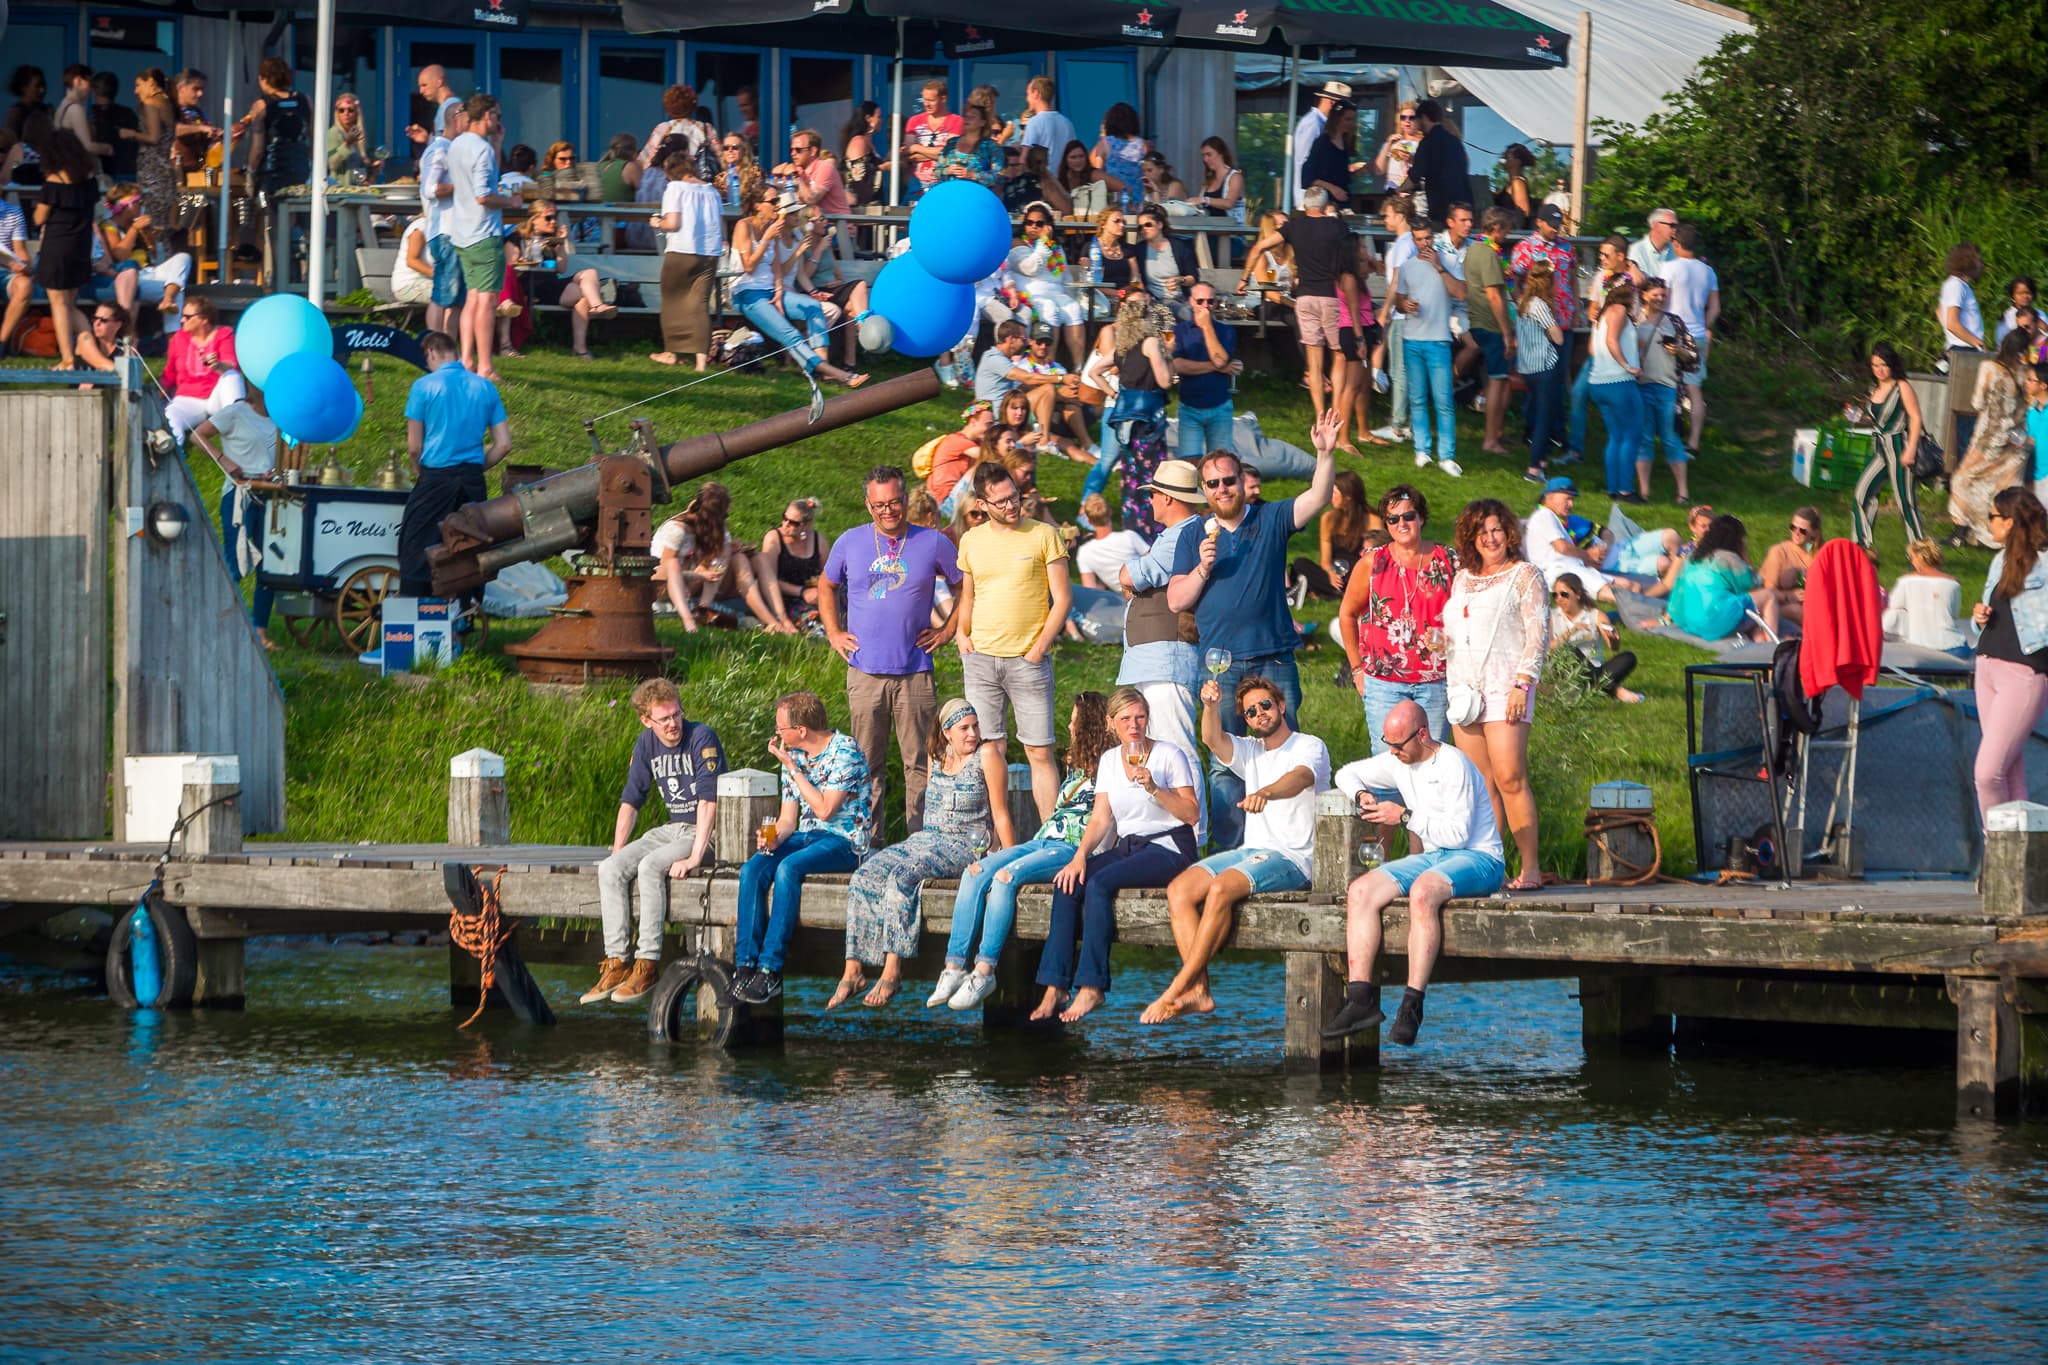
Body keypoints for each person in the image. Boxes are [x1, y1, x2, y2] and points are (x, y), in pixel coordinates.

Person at [1170, 411, 1340, 847]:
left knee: (1285, 752)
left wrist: (1324, 454)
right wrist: (1203, 568)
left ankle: (1293, 848)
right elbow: (1176, 600)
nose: (1223, 489)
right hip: (1220, 663)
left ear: (1242, 483)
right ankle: (1230, 852)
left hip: (1273, 655)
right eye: (1214, 484)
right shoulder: (1192, 535)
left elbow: (1317, 498)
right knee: (1225, 762)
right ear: (1203, 491)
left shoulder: (1270, 519)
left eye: (1229, 481)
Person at [1143, 674, 1331, 1024]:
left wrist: (1267, 793)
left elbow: (1302, 778)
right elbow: (1211, 739)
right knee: (1179, 890)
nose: (1259, 713)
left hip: (1293, 858)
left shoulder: (1309, 745)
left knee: (1220, 888)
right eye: (1250, 712)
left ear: (1281, 707)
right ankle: (1199, 990)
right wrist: (1211, 707)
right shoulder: (1250, 750)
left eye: (1265, 706)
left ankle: (1175, 989)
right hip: (1254, 850)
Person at [1322, 700, 1506, 1045]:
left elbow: (1459, 835)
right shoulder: (1398, 759)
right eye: (1387, 744)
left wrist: (1404, 817)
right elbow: (1346, 773)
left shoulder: (1454, 765)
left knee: (1422, 892)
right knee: (1360, 891)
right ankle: (1360, 1000)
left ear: (1422, 734)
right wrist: (1361, 793)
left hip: (1479, 857)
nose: (1392, 752)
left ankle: (1412, 1005)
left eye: (1398, 745)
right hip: (1436, 856)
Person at [832, 698, 1015, 1009]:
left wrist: (1009, 862)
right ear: (946, 733)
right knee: (866, 874)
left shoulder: (987, 756)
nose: (972, 733)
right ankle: (854, 969)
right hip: (924, 840)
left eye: (975, 726)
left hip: (963, 847)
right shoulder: (936, 756)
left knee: (903, 877)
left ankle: (892, 970)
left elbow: (1000, 814)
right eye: (964, 728)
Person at [932, 691, 1109, 1011]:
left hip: (1071, 847)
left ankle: (985, 970)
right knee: (975, 873)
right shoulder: (1075, 765)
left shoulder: (1111, 766)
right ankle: (954, 967)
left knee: (1004, 877)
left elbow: (1106, 820)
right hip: (1043, 838)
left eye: (1074, 722)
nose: (1069, 727)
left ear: (1089, 725)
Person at [1031, 686, 1198, 1023]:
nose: (1133, 725)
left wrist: (1154, 788)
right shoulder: (1109, 760)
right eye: (1125, 719)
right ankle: (1056, 984)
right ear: (1111, 723)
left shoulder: (1169, 755)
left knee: (1100, 884)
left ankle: (1092, 986)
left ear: (1148, 719)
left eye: (1140, 717)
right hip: (1130, 846)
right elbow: (1101, 818)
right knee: (1068, 881)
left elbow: (1191, 814)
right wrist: (1079, 856)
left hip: (1170, 846)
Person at [821, 465, 962, 835]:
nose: (888, 510)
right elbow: (826, 584)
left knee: (921, 762)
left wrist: (949, 630)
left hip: (915, 671)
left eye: (895, 502)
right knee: (867, 764)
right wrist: (834, 632)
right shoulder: (849, 541)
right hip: (865, 670)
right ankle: (867, 842)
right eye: (879, 504)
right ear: (868, 505)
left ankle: (921, 841)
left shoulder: (932, 542)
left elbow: (965, 585)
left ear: (904, 500)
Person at [581, 679, 724, 1006]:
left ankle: (647, 964)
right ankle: (617, 962)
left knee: (649, 867)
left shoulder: (702, 737)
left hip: (704, 832)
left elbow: (709, 803)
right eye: (665, 719)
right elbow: (631, 801)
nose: (674, 724)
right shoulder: (646, 743)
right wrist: (618, 852)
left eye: (676, 714)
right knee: (611, 869)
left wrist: (695, 858)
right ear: (647, 720)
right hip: (672, 829)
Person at [729, 691, 873, 1006]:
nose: (778, 734)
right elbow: (788, 820)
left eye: (781, 728)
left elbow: (825, 811)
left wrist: (793, 768)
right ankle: (745, 965)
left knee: (788, 868)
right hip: (806, 836)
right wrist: (774, 839)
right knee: (754, 866)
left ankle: (770, 969)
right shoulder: (793, 756)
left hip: (846, 841)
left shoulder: (844, 750)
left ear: (801, 729)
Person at [956, 462, 1073, 822]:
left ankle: (1053, 837)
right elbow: (969, 595)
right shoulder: (971, 539)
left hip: (1028, 660)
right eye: (1002, 501)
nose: (1012, 505)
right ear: (982, 504)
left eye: (1015, 497)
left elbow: (1063, 599)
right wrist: (962, 633)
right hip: (981, 658)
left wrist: (1038, 649)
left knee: (1039, 751)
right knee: (989, 750)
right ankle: (994, 839)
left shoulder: (1044, 535)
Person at [1445, 499, 1548, 889]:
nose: (1490, 538)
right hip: (1465, 691)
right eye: (1481, 532)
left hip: (1507, 687)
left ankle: (1531, 868)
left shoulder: (1525, 575)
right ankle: (1493, 868)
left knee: (1510, 777)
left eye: (1496, 530)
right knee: (1480, 783)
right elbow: (1457, 633)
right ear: (1470, 538)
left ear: (1509, 533)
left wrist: (1524, 683)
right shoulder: (1462, 579)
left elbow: (1538, 636)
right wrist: (1439, 645)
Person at [397, 331, 510, 596]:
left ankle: (417, 609)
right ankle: (466, 614)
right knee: (468, 548)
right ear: (455, 352)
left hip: (435, 477)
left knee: (415, 545)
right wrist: (475, 468)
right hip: (471, 480)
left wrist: (420, 474)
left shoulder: (424, 386)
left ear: (431, 353)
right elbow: (504, 444)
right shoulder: (485, 387)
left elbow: (414, 447)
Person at [729, 186, 867, 389]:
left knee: (814, 308)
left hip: (770, 290)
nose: (777, 206)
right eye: (773, 201)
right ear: (757, 205)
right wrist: (766, 238)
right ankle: (840, 375)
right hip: (746, 292)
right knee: (789, 334)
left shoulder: (773, 227)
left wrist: (778, 291)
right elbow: (749, 266)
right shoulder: (745, 226)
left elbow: (777, 269)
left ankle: (823, 367)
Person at [1239, 187, 1353, 432]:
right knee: (1339, 354)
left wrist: (1243, 278)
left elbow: (1258, 247)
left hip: (1304, 299)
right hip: (1330, 297)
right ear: (1324, 205)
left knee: (1314, 360)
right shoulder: (1336, 227)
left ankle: (1321, 417)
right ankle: (1336, 415)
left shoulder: (1294, 227)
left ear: (1304, 205)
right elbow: (1351, 256)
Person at [1972, 487, 2048, 822]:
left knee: (1988, 773)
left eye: (1993, 516)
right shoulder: (1998, 560)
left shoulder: (2045, 563)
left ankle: (1996, 856)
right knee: (2009, 772)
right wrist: (1979, 618)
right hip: (1986, 667)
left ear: (2011, 521)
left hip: (2024, 673)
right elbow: (1990, 613)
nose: (1988, 522)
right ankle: (2017, 865)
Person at [190, 386, 281, 649]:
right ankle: (213, 625)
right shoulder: (235, 412)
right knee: (235, 561)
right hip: (239, 496)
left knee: (270, 565)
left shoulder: (280, 417)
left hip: (270, 496)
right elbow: (198, 436)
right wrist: (224, 460)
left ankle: (260, 632)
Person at [446, 94, 522, 380]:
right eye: (498, 116)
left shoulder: (457, 144)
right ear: (487, 115)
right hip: (484, 232)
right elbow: (484, 195)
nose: (499, 121)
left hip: (462, 231)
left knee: (472, 299)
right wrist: (511, 203)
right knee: (487, 302)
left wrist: (498, 145)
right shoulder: (482, 150)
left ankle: (466, 360)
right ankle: (486, 366)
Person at [650, 482, 791, 633]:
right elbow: (663, 569)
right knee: (674, 563)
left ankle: (704, 608)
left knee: (737, 554)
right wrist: (698, 574)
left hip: (691, 583)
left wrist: (730, 550)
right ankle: (689, 618)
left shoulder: (711, 529)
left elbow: (709, 561)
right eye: (724, 515)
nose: (725, 519)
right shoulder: (678, 530)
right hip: (662, 585)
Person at [1391, 215, 1467, 477]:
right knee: (1418, 398)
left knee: (1444, 399)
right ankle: (1421, 450)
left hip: (1438, 340)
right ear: (1413, 240)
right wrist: (1404, 305)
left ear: (1433, 238)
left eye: (1427, 238)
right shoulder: (1407, 266)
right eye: (1419, 239)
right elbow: (1399, 300)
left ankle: (1447, 455)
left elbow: (1461, 293)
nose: (1424, 243)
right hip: (1412, 339)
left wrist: (1439, 267)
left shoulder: (1448, 260)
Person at [1948, 330, 2033, 547]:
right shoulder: (2025, 373)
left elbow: (1978, 403)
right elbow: (2029, 404)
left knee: (1961, 479)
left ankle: (1961, 531)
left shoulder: (1989, 368)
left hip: (1990, 438)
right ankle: (1998, 535)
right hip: (2016, 440)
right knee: (2002, 487)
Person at [504, 199, 616, 360]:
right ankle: (584, 340)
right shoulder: (517, 237)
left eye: (554, 217)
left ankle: (594, 313)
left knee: (589, 276)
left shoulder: (552, 238)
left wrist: (561, 243)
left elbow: (561, 268)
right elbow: (511, 267)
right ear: (535, 218)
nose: (553, 221)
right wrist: (524, 257)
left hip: (552, 285)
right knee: (582, 295)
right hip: (530, 286)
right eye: (548, 218)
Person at [28, 130, 97, 371]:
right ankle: (91, 351)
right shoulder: (90, 178)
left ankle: (67, 358)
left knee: (58, 304)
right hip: (81, 245)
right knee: (70, 303)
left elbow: (39, 218)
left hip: (57, 246)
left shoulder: (52, 182)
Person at [650, 146, 722, 371]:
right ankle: (701, 362)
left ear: (671, 170)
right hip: (710, 253)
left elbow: (673, 223)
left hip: (682, 250)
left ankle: (671, 352)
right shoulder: (712, 191)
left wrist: (657, 223)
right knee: (699, 305)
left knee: (672, 300)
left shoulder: (675, 188)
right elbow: (720, 225)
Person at [1855, 342, 1928, 546]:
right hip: (1880, 448)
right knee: (1861, 493)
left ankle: (1919, 550)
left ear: (1892, 365)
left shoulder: (1902, 386)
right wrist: (1858, 417)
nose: (1879, 369)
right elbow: (1878, 419)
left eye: (1883, 365)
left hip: (1899, 445)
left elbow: (1915, 417)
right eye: (1875, 365)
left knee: (1905, 501)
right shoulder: (1874, 388)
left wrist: (1911, 449)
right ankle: (1862, 545)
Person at [1668, 514, 1779, 642]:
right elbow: (1754, 585)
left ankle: (1760, 639)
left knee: (1747, 612)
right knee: (1769, 596)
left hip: (1691, 621)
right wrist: (1745, 556)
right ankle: (1772, 643)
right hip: (1713, 620)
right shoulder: (1728, 558)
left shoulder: (1692, 556)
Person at [1631, 275, 1693, 501]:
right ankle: (1645, 492)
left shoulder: (1674, 322)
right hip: (1641, 386)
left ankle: (1683, 493)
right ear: (1644, 295)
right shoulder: (1634, 320)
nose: (1659, 299)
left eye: (1663, 296)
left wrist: (1679, 350)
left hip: (1667, 387)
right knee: (1644, 439)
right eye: (1655, 295)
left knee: (1670, 438)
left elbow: (1692, 356)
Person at [1006, 205, 1087, 369]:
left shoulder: (1055, 248)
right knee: (1050, 308)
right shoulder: (1017, 243)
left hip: (1057, 293)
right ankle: (1048, 365)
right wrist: (1043, 243)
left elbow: (1066, 278)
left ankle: (1079, 367)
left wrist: (1070, 295)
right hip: (1029, 295)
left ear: (1048, 226)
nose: (1034, 226)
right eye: (1029, 222)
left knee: (1073, 308)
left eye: (1039, 223)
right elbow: (1031, 267)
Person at [1663, 223, 1720, 453]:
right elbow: (1715, 308)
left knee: (1667, 386)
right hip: (1697, 334)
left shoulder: (1669, 269)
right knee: (1694, 390)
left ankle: (1669, 435)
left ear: (1676, 243)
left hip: (1672, 334)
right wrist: (1704, 326)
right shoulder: (1708, 271)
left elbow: (1661, 301)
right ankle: (1693, 443)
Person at [1586, 279, 1644, 499]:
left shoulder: (1600, 315)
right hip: (1619, 382)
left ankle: (1613, 488)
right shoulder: (1619, 310)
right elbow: (1612, 341)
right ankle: (1626, 490)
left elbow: (1592, 349)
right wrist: (1627, 365)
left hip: (1598, 382)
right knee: (1631, 435)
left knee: (1616, 436)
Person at [1467, 207, 1518, 457]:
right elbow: (1494, 295)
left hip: (1479, 321)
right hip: (1491, 324)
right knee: (1497, 381)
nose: (1507, 235)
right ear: (1496, 228)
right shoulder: (1487, 253)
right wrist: (1507, 332)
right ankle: (1490, 440)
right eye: (1507, 230)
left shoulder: (1474, 249)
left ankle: (1497, 433)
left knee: (1500, 380)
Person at [1172, 282, 1240, 463]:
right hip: (1189, 408)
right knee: (1189, 465)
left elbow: (1219, 359)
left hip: (1220, 407)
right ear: (1190, 301)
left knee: (1221, 464)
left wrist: (1206, 327)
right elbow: (1178, 366)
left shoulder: (1226, 331)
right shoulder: (1179, 331)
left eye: (1210, 302)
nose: (1205, 306)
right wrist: (1217, 368)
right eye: (1200, 301)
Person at [160, 292, 242, 440]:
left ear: (204, 319)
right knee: (171, 417)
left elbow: (232, 363)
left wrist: (218, 365)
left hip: (216, 398)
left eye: (188, 317)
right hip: (188, 399)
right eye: (182, 316)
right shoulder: (178, 338)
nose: (182, 320)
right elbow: (169, 373)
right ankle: (173, 455)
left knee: (232, 376)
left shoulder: (224, 334)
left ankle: (238, 432)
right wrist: (157, 395)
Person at [417, 99, 467, 337]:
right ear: (456, 118)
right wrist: (463, 186)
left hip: (458, 231)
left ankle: (449, 349)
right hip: (444, 231)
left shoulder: (455, 149)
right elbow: (430, 188)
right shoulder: (439, 149)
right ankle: (432, 346)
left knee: (457, 297)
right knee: (444, 293)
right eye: (469, 119)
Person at [1550, 573, 1642, 703]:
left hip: (1594, 668)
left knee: (1628, 658)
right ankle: (1615, 691)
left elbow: (1613, 647)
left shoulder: (1595, 615)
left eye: (1564, 594)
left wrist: (1613, 638)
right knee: (1569, 651)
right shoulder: (1551, 617)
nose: (1559, 599)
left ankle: (1590, 687)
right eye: (1555, 595)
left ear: (1578, 594)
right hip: (1564, 671)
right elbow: (1548, 649)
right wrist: (1572, 631)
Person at [1291, 468, 1377, 602]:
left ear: (1348, 497)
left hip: (1359, 573)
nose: (1330, 496)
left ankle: (1324, 591)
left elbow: (1378, 557)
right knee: (1300, 564)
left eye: (1334, 492)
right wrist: (1330, 572)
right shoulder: (1328, 519)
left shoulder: (1371, 520)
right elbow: (1325, 560)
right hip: (1336, 572)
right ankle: (1336, 592)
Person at [1516, 257, 1566, 480]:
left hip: (1527, 368)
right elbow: (1558, 337)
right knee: (1545, 419)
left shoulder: (1522, 303)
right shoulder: (1540, 305)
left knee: (1538, 414)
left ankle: (1542, 460)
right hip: (1545, 368)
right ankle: (1534, 468)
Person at [1883, 538, 1971, 658]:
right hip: (1955, 646)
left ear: (1918, 558)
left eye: (1911, 557)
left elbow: (1892, 613)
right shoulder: (1953, 583)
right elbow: (1954, 614)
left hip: (1922, 647)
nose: (1911, 561)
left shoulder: (1906, 581)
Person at [754, 497, 831, 633]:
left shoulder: (819, 541)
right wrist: (803, 592)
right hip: (787, 599)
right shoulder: (774, 539)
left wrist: (821, 590)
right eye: (784, 518)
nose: (785, 524)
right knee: (820, 626)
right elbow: (770, 581)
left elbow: (829, 574)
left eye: (793, 523)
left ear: (806, 525)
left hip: (816, 594)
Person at [240, 57, 311, 198]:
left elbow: (258, 149)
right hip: (301, 168)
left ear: (264, 79)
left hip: (273, 172)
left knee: (273, 214)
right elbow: (313, 138)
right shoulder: (306, 100)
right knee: (295, 212)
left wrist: (250, 172)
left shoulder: (261, 106)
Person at [925, 399, 995, 513]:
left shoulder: (978, 442)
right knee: (981, 465)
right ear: (973, 422)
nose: (991, 429)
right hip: (945, 503)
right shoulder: (955, 440)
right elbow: (989, 456)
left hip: (962, 497)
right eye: (988, 424)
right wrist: (1018, 443)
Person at [1405, 99, 1469, 223]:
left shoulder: (1427, 142)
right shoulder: (1455, 141)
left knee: (1441, 239)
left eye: (1416, 119)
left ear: (1423, 118)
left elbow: (1414, 177)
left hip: (1442, 209)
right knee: (1468, 238)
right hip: (1464, 207)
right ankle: (1485, 242)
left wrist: (1397, 190)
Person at [901, 77, 961, 204]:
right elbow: (908, 153)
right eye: (924, 99)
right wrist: (937, 153)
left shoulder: (956, 121)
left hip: (943, 183)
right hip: (916, 185)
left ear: (943, 99)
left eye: (931, 100)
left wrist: (917, 148)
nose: (926, 104)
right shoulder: (914, 121)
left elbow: (948, 154)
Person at [1291, 81, 1352, 205]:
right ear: (1332, 103)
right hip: (1311, 198)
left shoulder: (1321, 123)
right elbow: (1305, 161)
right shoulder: (1314, 123)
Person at [1133, 203, 1198, 319]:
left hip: (1182, 297)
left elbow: (1193, 278)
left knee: (1202, 314)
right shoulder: (1139, 250)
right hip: (1156, 299)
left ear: (1160, 224)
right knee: (1185, 313)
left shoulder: (1180, 246)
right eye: (1140, 227)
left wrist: (1180, 280)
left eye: (1148, 225)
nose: (1144, 229)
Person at [1075, 494, 1149, 589]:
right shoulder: (1129, 537)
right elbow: (1154, 564)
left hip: (1126, 600)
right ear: (1110, 512)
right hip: (1152, 589)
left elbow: (1090, 589)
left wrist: (1105, 585)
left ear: (1089, 521)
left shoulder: (1084, 552)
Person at [638, 84, 711, 175]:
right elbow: (721, 157)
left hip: (670, 180)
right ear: (693, 104)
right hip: (698, 180)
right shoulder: (706, 128)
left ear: (668, 106)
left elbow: (644, 160)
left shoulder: (663, 128)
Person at [1299, 101, 1358, 209]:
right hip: (1325, 205)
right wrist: (1332, 188)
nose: (1352, 124)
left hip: (1342, 203)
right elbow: (1307, 176)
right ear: (1337, 119)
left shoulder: (1345, 144)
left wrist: (1360, 170)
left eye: (1353, 120)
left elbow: (1339, 176)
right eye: (1347, 119)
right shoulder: (1322, 143)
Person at [54, 66, 109, 176]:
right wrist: (107, 148)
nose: (90, 89)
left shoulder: (62, 106)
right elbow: (87, 146)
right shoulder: (75, 109)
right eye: (89, 82)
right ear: (78, 81)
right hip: (77, 173)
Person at [1090, 102, 1145, 206]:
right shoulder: (1143, 145)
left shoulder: (1104, 144)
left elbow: (1097, 174)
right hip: (1138, 203)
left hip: (1114, 202)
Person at [936, 102, 1001, 188]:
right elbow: (936, 171)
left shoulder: (990, 146)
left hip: (975, 196)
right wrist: (947, 170)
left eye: (972, 117)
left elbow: (999, 176)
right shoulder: (951, 143)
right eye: (965, 116)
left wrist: (972, 174)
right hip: (950, 194)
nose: (967, 119)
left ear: (982, 122)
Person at [1939, 242, 1988, 354]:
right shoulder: (1957, 285)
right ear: (1968, 261)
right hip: (1964, 348)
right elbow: (1951, 323)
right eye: (1979, 260)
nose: (1982, 264)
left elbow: (1939, 312)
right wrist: (1978, 344)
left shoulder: (1955, 284)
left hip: (1961, 346)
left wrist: (1950, 338)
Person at [1016, 76, 1077, 165]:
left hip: (1043, 177)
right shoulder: (1067, 123)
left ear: (1036, 94)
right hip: (1062, 178)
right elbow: (1074, 152)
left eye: (1028, 94)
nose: (1027, 99)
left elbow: (1024, 158)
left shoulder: (1034, 122)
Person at [325, 92, 379, 182]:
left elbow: (358, 173)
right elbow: (332, 165)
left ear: (357, 113)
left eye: (350, 110)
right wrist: (347, 144)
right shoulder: (333, 133)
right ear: (337, 113)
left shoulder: (358, 136)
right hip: (338, 189)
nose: (346, 113)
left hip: (353, 190)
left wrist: (373, 171)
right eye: (341, 110)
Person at [1371, 100, 1419, 195]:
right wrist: (1388, 144)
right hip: (1393, 192)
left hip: (1415, 193)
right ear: (1399, 121)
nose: (1407, 120)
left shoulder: (1423, 143)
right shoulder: (1393, 142)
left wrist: (1411, 159)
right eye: (1403, 117)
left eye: (1412, 117)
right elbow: (1378, 170)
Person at [1194, 136, 1245, 224]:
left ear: (1221, 153)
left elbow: (1229, 204)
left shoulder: (1235, 176)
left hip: (1231, 233)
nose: (1205, 159)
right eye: (1203, 156)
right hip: (1208, 230)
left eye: (1209, 155)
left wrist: (1205, 200)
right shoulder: (1208, 180)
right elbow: (1199, 206)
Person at [1627, 207, 1678, 283]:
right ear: (1655, 226)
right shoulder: (1636, 250)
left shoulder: (1676, 250)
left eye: (1677, 226)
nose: (1676, 230)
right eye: (1672, 225)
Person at [1494, 143, 1535, 227]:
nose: (1503, 160)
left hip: (1512, 235)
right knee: (1482, 239)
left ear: (1517, 162)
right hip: (1504, 232)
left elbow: (1523, 213)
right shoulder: (1510, 183)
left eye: (1507, 157)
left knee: (1482, 239)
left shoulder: (1518, 183)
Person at [1999, 277, 2038, 344]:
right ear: (2012, 296)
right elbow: (2001, 342)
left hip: (2039, 349)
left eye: (2028, 293)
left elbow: (2043, 337)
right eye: (2020, 293)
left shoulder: (2040, 314)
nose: (2025, 296)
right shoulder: (2007, 317)